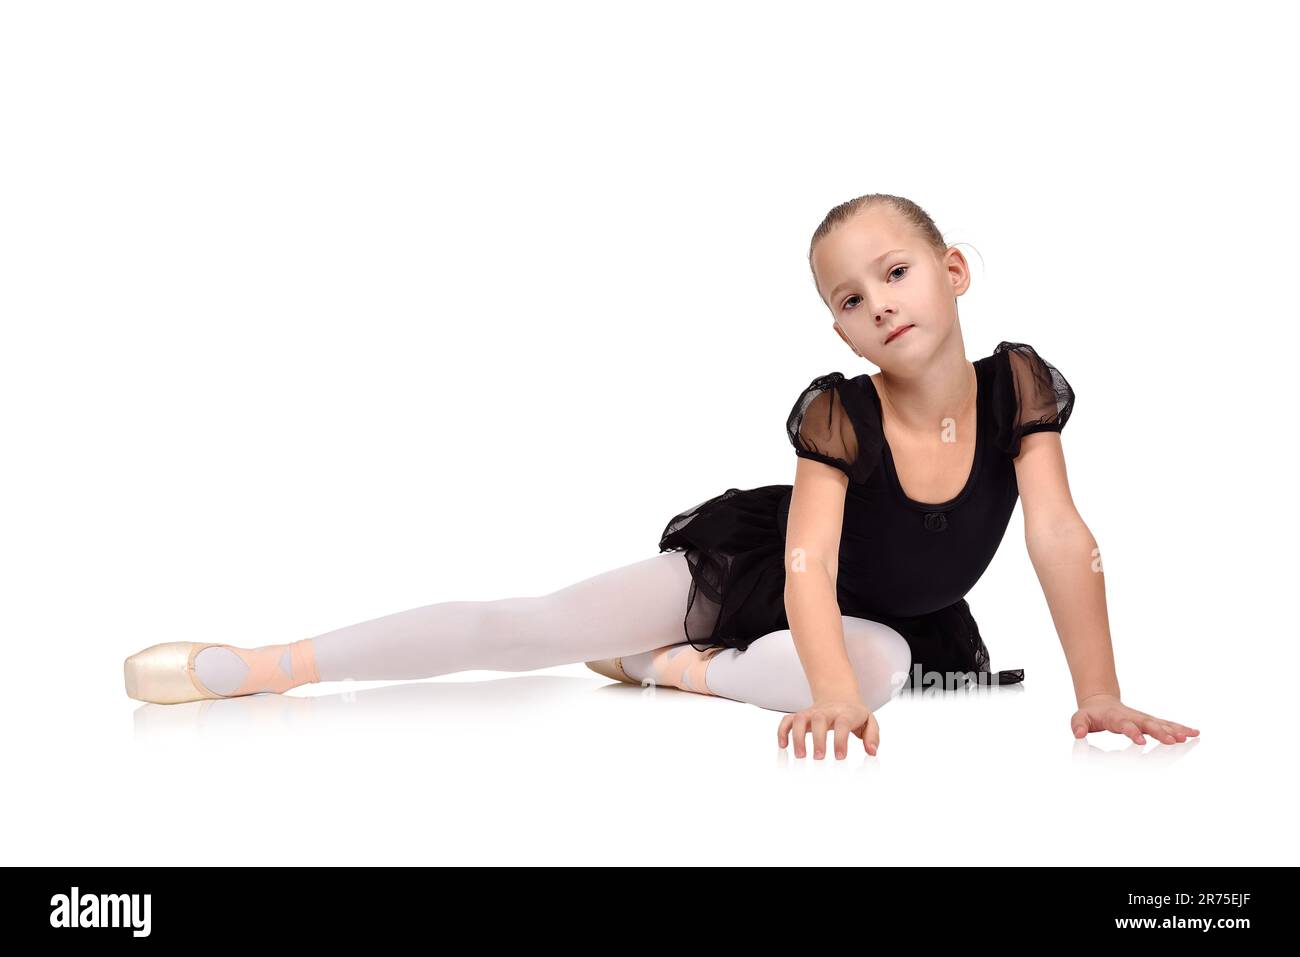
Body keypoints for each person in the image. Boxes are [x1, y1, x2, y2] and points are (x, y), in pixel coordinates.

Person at [122, 193, 1200, 760]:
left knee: (875, 672)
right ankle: (268, 663)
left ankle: (668, 672)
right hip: (761, 575)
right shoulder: (838, 409)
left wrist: (1096, 693)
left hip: (889, 620)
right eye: (846, 296)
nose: (876, 302)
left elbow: (1060, 537)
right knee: (532, 624)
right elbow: (806, 559)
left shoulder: (1016, 386)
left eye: (895, 271)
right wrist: (817, 688)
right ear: (834, 325)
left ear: (952, 269)